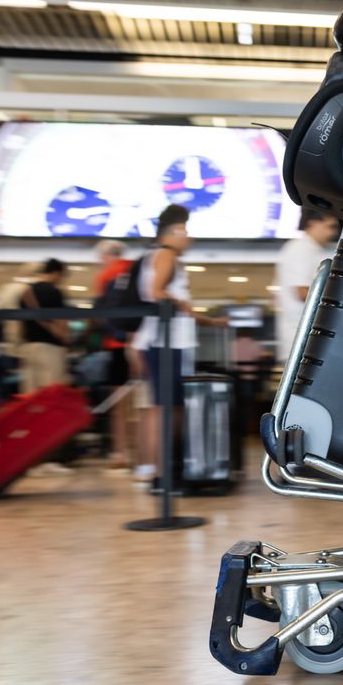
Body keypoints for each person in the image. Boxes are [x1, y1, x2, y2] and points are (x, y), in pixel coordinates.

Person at [132, 205, 228, 487]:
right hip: (167, 344)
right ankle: (160, 473)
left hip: (166, 342)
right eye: (185, 231)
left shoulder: (158, 255)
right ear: (173, 231)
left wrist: (206, 321)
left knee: (166, 407)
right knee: (165, 409)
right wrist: (182, 304)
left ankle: (160, 470)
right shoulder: (165, 255)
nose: (189, 238)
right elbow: (156, 292)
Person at [274, 210, 340, 362]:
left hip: (309, 335)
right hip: (301, 336)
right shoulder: (300, 248)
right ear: (312, 224)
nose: (333, 232)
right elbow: (302, 292)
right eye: (329, 226)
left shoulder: (313, 250)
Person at [93, 240, 134, 470]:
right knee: (140, 405)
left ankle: (121, 452)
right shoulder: (134, 269)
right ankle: (141, 455)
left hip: (117, 346)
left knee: (119, 404)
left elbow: (104, 316)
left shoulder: (107, 275)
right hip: (138, 344)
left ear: (106, 255)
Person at [19, 258, 70, 393]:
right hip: (50, 349)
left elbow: (20, 325)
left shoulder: (25, 293)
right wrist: (65, 338)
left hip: (29, 348)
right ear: (56, 273)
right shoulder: (55, 292)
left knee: (31, 396)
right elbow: (62, 324)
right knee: (52, 395)